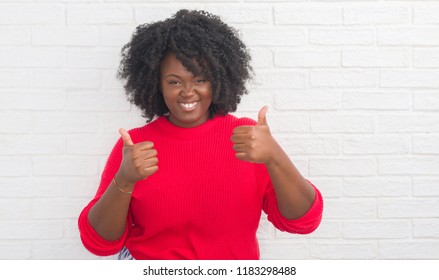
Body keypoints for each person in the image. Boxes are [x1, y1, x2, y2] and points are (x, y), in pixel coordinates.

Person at [78, 9, 323, 260]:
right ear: (156, 84)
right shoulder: (134, 145)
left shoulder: (248, 138)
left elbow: (304, 221)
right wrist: (125, 179)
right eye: (174, 82)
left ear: (217, 80)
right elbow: (98, 243)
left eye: (199, 80)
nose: (187, 92)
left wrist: (275, 157)